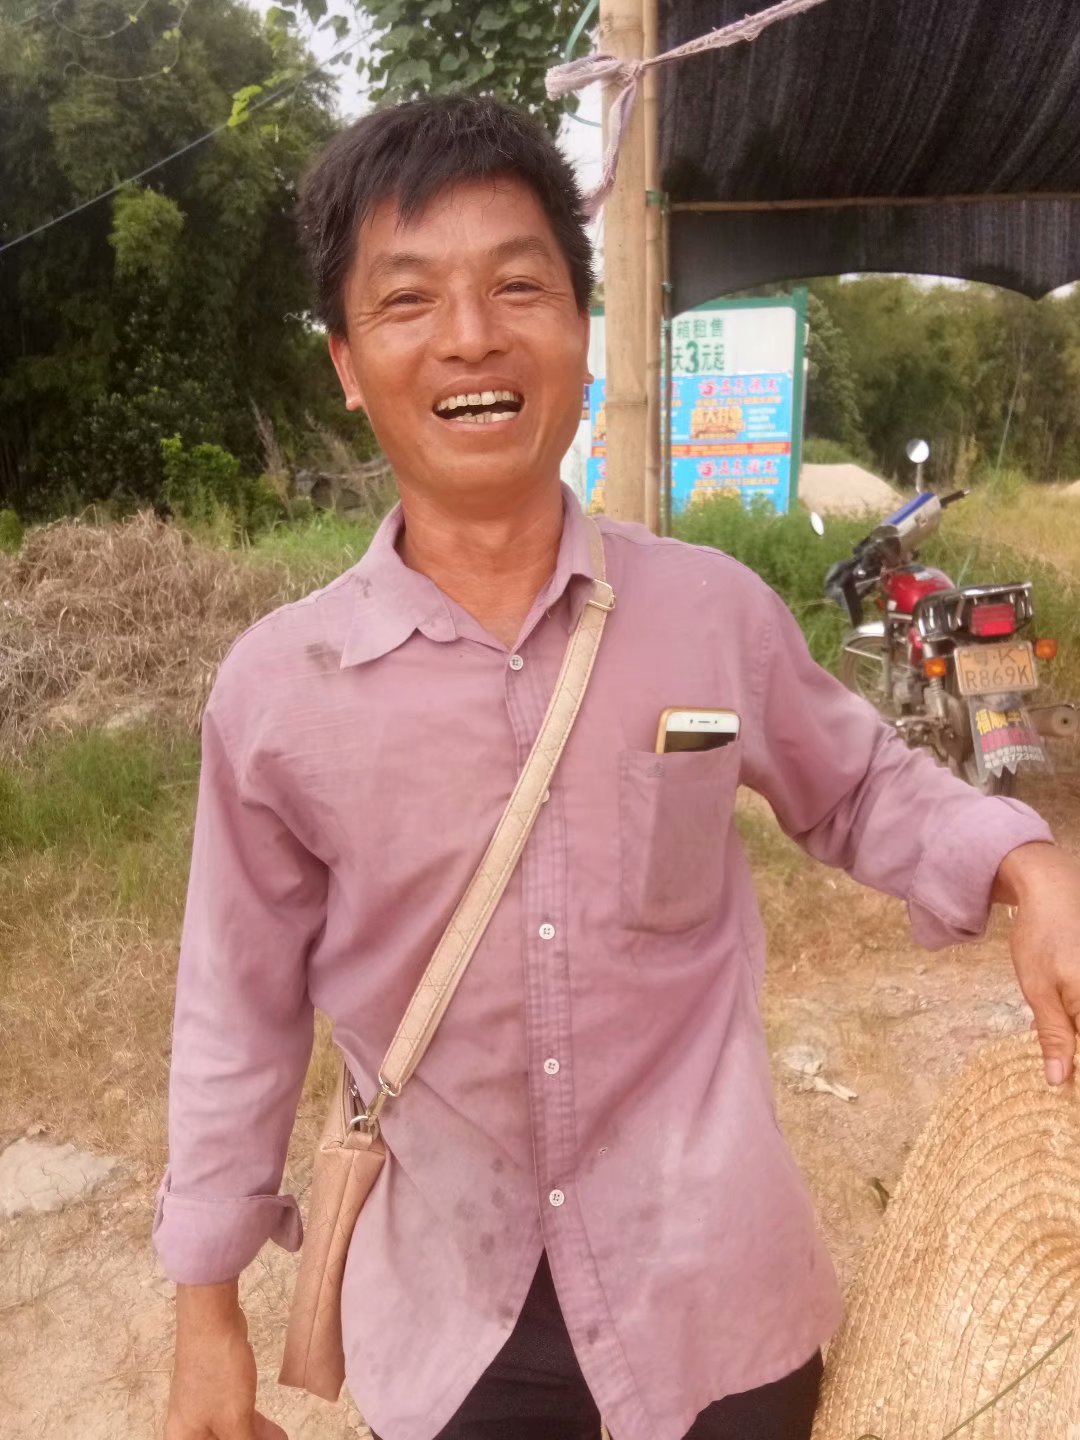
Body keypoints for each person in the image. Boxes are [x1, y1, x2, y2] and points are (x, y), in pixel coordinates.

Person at [156, 96, 1080, 1440]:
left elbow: (861, 785)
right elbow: (235, 1013)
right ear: (348, 363)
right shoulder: (278, 692)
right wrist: (206, 1318)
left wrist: (1030, 865)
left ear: (582, 331)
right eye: (408, 300)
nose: (471, 335)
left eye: (517, 284)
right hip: (453, 1336)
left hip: (715, 1300)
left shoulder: (710, 611)